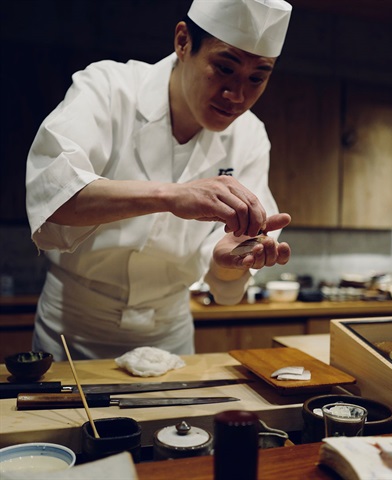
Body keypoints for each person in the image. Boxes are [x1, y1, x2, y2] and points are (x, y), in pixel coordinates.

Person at [25, 0, 293, 361]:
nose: (237, 96)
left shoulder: (250, 137)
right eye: (224, 68)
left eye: (257, 78)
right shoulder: (108, 88)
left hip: (169, 336)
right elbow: (53, 195)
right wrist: (170, 195)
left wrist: (226, 264)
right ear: (183, 41)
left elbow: (227, 271)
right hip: (72, 331)